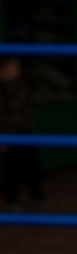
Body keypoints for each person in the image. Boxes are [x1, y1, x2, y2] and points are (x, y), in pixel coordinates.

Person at [0, 56, 46, 212]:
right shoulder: (3, 88)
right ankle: (12, 200)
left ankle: (38, 197)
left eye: (17, 66)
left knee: (31, 165)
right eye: (13, 66)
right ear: (3, 69)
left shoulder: (23, 83)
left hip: (24, 131)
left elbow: (35, 79)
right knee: (11, 169)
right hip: (8, 133)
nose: (16, 70)